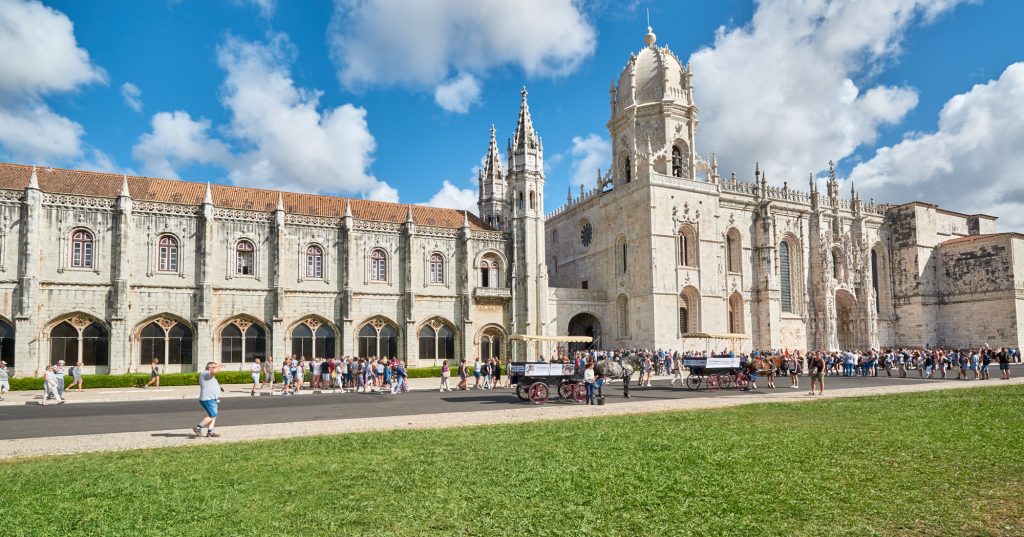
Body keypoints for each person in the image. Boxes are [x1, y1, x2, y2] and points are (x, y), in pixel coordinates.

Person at [193, 362, 224, 438]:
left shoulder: (209, 375)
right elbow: (214, 371)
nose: (215, 368)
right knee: (213, 415)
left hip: (212, 398)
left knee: (214, 415)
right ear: (209, 367)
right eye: (214, 367)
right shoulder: (205, 373)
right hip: (208, 399)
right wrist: (220, 366)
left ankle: (210, 432)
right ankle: (198, 427)